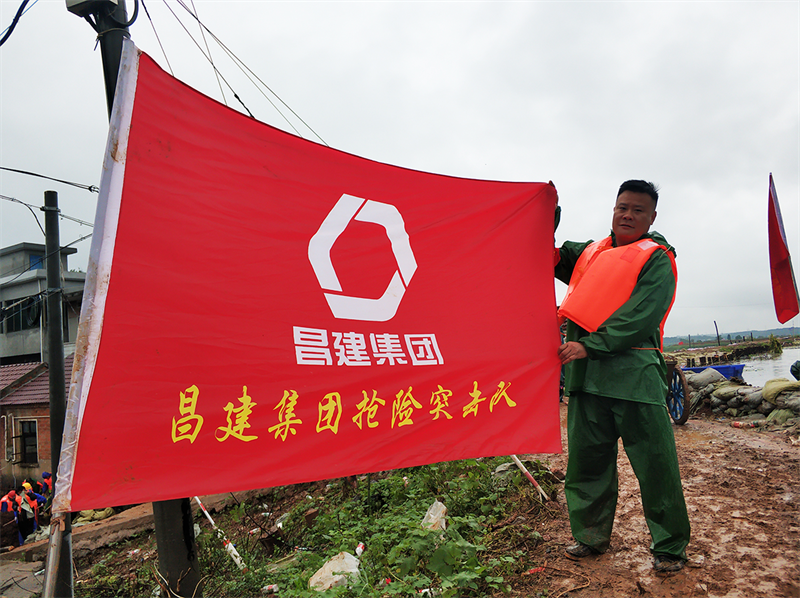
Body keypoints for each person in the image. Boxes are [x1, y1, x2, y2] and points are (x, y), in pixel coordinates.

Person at [554, 180, 690, 573]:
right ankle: (590, 537)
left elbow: (641, 315)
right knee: (587, 463)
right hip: (586, 379)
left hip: (635, 376)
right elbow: (544, 253)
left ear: (652, 217)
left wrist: (590, 345)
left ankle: (669, 546)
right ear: (613, 209)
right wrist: (549, 208)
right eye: (622, 207)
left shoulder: (657, 258)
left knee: (656, 465)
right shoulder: (589, 253)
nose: (627, 215)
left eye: (638, 210)